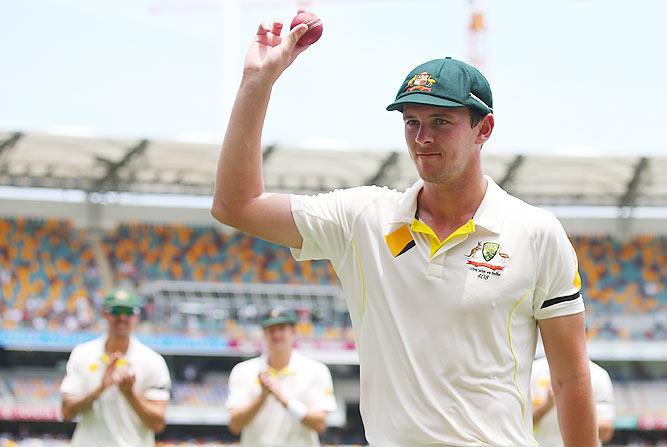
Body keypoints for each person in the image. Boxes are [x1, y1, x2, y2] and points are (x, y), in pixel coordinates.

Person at [211, 17, 597, 446]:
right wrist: (257, 82)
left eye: (440, 122)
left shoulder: (536, 232)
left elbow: (570, 379)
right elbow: (236, 205)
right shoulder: (363, 218)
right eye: (411, 121)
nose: (422, 138)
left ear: (482, 129)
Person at [60, 289, 171, 447]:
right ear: (104, 314)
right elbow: (66, 412)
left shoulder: (152, 361)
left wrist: (129, 394)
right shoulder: (82, 354)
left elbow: (158, 424)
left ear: (137, 316)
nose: (122, 317)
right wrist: (101, 388)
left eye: (128, 311)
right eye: (116, 311)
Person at [225, 308, 337, 446]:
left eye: (282, 328)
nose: (276, 334)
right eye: (271, 329)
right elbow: (235, 425)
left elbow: (320, 424)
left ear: (293, 332)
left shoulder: (316, 370)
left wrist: (283, 400)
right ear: (264, 334)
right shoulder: (243, 371)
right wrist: (262, 397)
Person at [532, 353, 616, 446]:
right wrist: (547, 406)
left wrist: (576, 406)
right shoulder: (534, 370)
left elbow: (605, 432)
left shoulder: (598, 375)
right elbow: (520, 424)